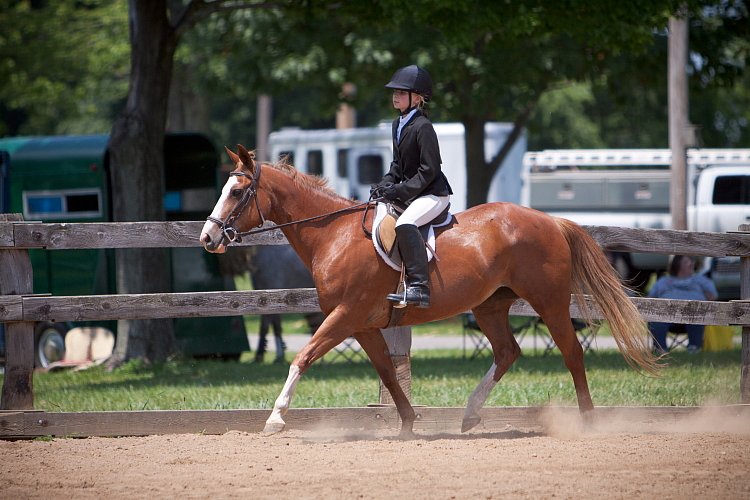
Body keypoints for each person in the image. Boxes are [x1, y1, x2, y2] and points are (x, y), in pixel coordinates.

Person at [370, 65, 453, 308]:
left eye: (401, 92)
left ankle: (419, 287)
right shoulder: (398, 124)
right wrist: (384, 184)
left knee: (405, 223)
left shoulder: (423, 127)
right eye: (394, 92)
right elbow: (398, 165)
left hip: (433, 193)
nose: (395, 96)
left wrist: (400, 190)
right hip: (414, 193)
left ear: (417, 97)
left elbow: (429, 170)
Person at [647, 255, 718, 353]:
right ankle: (661, 350)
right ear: (677, 264)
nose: (691, 264)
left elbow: (713, 296)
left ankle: (694, 349)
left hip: (692, 315)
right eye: (686, 262)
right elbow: (650, 299)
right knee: (655, 319)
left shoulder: (700, 280)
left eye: (691, 261)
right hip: (667, 316)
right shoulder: (664, 281)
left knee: (698, 316)